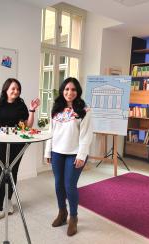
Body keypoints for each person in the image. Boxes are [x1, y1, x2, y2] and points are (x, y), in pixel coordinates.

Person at [0, 78, 40, 222]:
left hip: (17, 144)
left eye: (18, 89)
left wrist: (32, 110)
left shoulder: (20, 105)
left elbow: (27, 126)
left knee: (12, 173)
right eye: (13, 88)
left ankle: (8, 201)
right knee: (1, 174)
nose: (16, 91)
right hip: (2, 143)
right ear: (6, 89)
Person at [44, 77, 93, 236]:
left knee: (69, 186)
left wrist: (82, 155)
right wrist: (47, 151)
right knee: (58, 185)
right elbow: (50, 132)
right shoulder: (56, 108)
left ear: (77, 92)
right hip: (57, 152)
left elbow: (86, 135)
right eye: (66, 89)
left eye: (73, 89)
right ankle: (62, 213)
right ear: (62, 90)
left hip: (75, 154)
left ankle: (73, 217)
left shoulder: (84, 110)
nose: (69, 92)